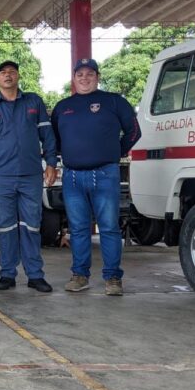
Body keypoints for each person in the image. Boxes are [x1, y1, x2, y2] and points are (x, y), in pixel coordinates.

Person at [51, 58, 141, 296]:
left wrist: (116, 151)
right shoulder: (62, 106)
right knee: (78, 229)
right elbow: (55, 139)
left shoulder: (114, 101)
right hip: (72, 177)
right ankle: (80, 275)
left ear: (97, 76)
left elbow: (134, 131)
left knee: (109, 227)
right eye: (79, 74)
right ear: (74, 78)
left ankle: (113, 278)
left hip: (105, 174)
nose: (84, 78)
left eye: (89, 73)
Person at [0, 61, 57, 293]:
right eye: (3, 73)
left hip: (31, 175)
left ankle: (35, 275)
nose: (8, 75)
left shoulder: (34, 102)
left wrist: (51, 163)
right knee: (5, 226)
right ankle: (7, 274)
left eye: (12, 72)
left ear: (18, 76)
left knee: (32, 225)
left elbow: (47, 135)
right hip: (1, 176)